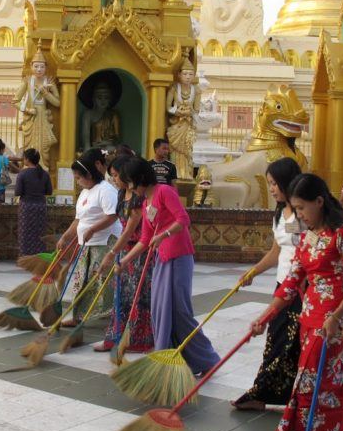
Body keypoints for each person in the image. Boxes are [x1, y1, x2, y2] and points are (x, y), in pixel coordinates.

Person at [246, 173, 343, 431]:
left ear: (320, 201)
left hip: (329, 326)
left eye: (303, 208)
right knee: (336, 386)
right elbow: (291, 284)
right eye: (295, 208)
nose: (300, 215)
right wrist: (264, 318)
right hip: (309, 321)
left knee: (305, 388)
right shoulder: (306, 239)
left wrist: (336, 317)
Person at [115, 157, 221, 376]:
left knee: (180, 312)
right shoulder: (145, 203)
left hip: (179, 257)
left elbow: (183, 219)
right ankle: (172, 360)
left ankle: (208, 359)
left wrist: (164, 234)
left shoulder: (164, 191)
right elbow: (144, 239)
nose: (130, 188)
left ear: (141, 178)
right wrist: (125, 260)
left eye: (131, 182)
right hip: (162, 260)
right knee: (161, 311)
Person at [231, 157, 304, 411]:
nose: (271, 189)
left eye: (274, 184)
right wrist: (253, 271)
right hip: (282, 285)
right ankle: (265, 392)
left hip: (301, 291)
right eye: (270, 184)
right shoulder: (279, 214)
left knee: (290, 343)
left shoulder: (302, 212)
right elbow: (276, 252)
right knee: (277, 340)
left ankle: (282, 394)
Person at [56, 153, 121, 326]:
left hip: (104, 242)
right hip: (86, 243)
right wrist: (65, 237)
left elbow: (113, 215)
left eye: (78, 177)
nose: (77, 181)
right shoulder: (85, 192)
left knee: (100, 280)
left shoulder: (106, 190)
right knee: (80, 279)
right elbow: (79, 220)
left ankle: (110, 315)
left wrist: (93, 229)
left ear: (89, 175)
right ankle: (78, 316)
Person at [99, 155, 153, 353]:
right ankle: (115, 336)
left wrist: (111, 253)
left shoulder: (139, 198)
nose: (114, 179)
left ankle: (139, 338)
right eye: (111, 175)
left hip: (139, 251)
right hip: (124, 250)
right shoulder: (122, 194)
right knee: (121, 294)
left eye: (115, 175)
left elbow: (130, 230)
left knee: (138, 295)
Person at [14, 148, 53, 256]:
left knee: (25, 233)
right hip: (40, 206)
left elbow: (17, 192)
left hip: (26, 207)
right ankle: (39, 256)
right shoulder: (45, 174)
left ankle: (25, 257)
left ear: (27, 159)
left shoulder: (23, 174)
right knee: (39, 232)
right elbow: (49, 191)